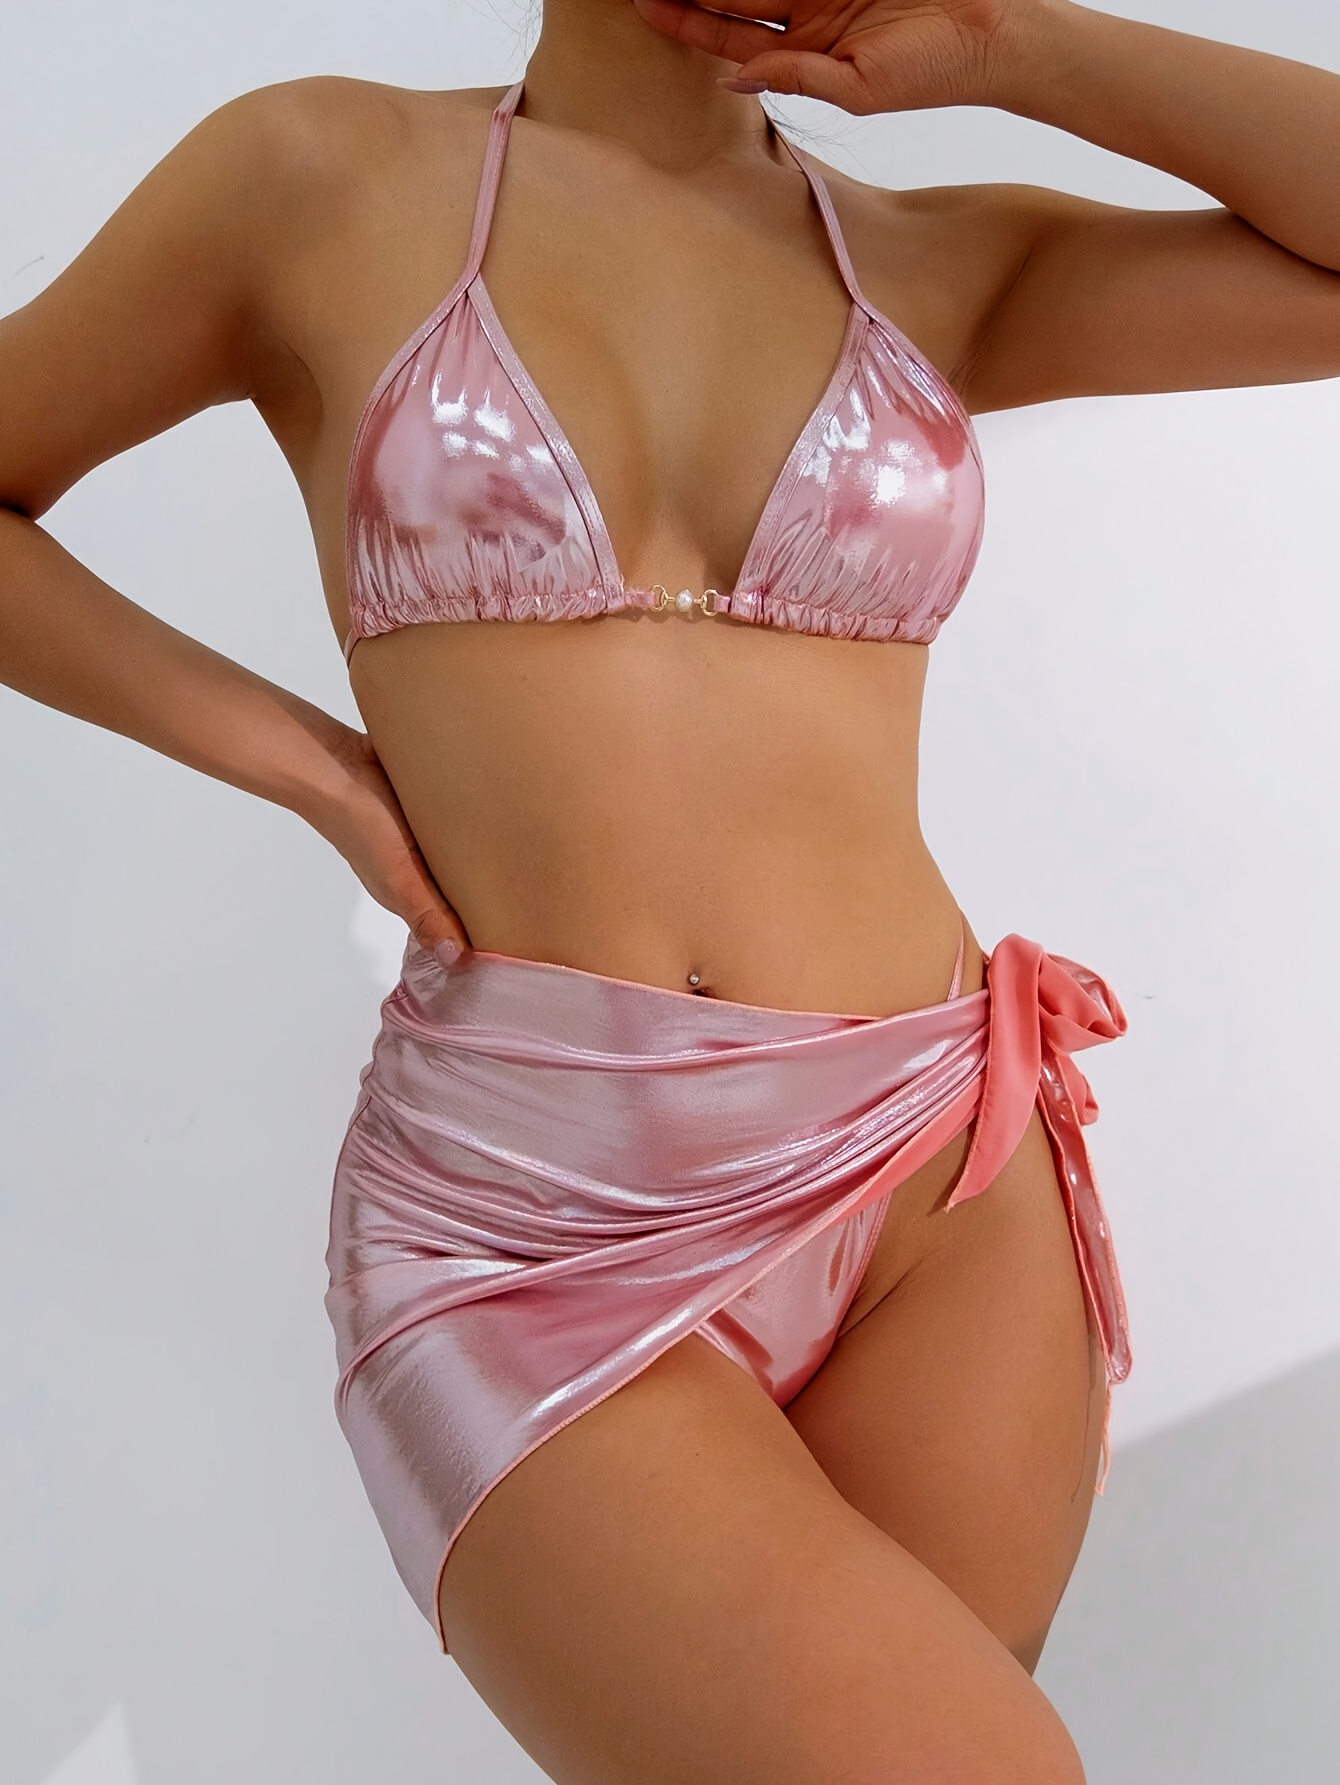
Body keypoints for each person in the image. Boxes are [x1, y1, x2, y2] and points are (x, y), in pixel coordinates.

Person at [2, 0, 1337, 1778]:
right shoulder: (318, 176)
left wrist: (1001, 43)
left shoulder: (925, 259)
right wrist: (311, 766)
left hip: (941, 1186)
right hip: (526, 1217)